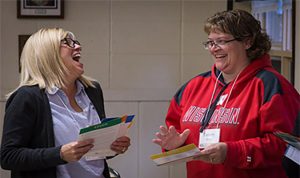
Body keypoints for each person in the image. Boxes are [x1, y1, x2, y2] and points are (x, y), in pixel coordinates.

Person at [152, 9, 300, 178]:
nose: (213, 49)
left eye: (221, 41)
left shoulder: (272, 86)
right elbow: (176, 132)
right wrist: (174, 146)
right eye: (210, 43)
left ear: (247, 42)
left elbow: (287, 147)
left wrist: (231, 152)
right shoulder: (193, 87)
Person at [0, 28, 130, 178]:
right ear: (48, 54)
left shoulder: (92, 90)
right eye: (68, 42)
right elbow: (8, 157)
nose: (78, 46)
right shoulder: (26, 97)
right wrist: (59, 154)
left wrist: (111, 148)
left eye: (76, 42)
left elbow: (92, 155)